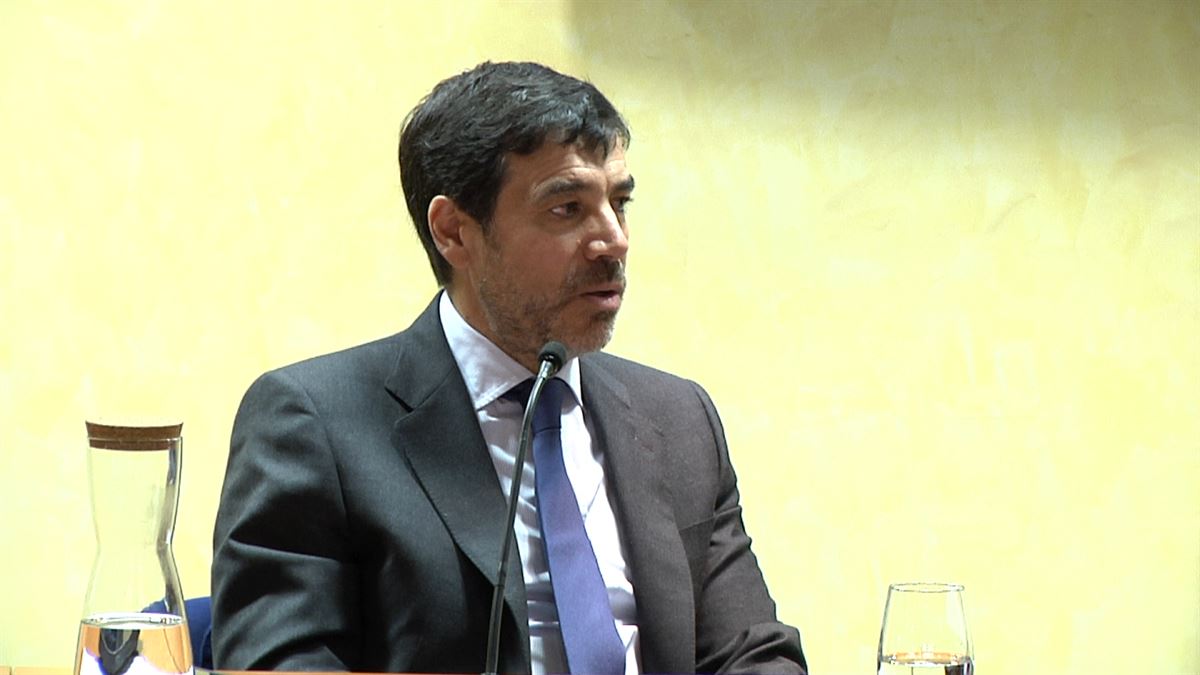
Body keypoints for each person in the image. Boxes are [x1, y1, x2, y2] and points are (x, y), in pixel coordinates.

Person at [211, 61, 807, 675]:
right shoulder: (316, 426)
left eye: (619, 203)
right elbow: (281, 665)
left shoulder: (678, 419)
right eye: (567, 208)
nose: (613, 240)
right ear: (454, 232)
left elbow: (754, 653)